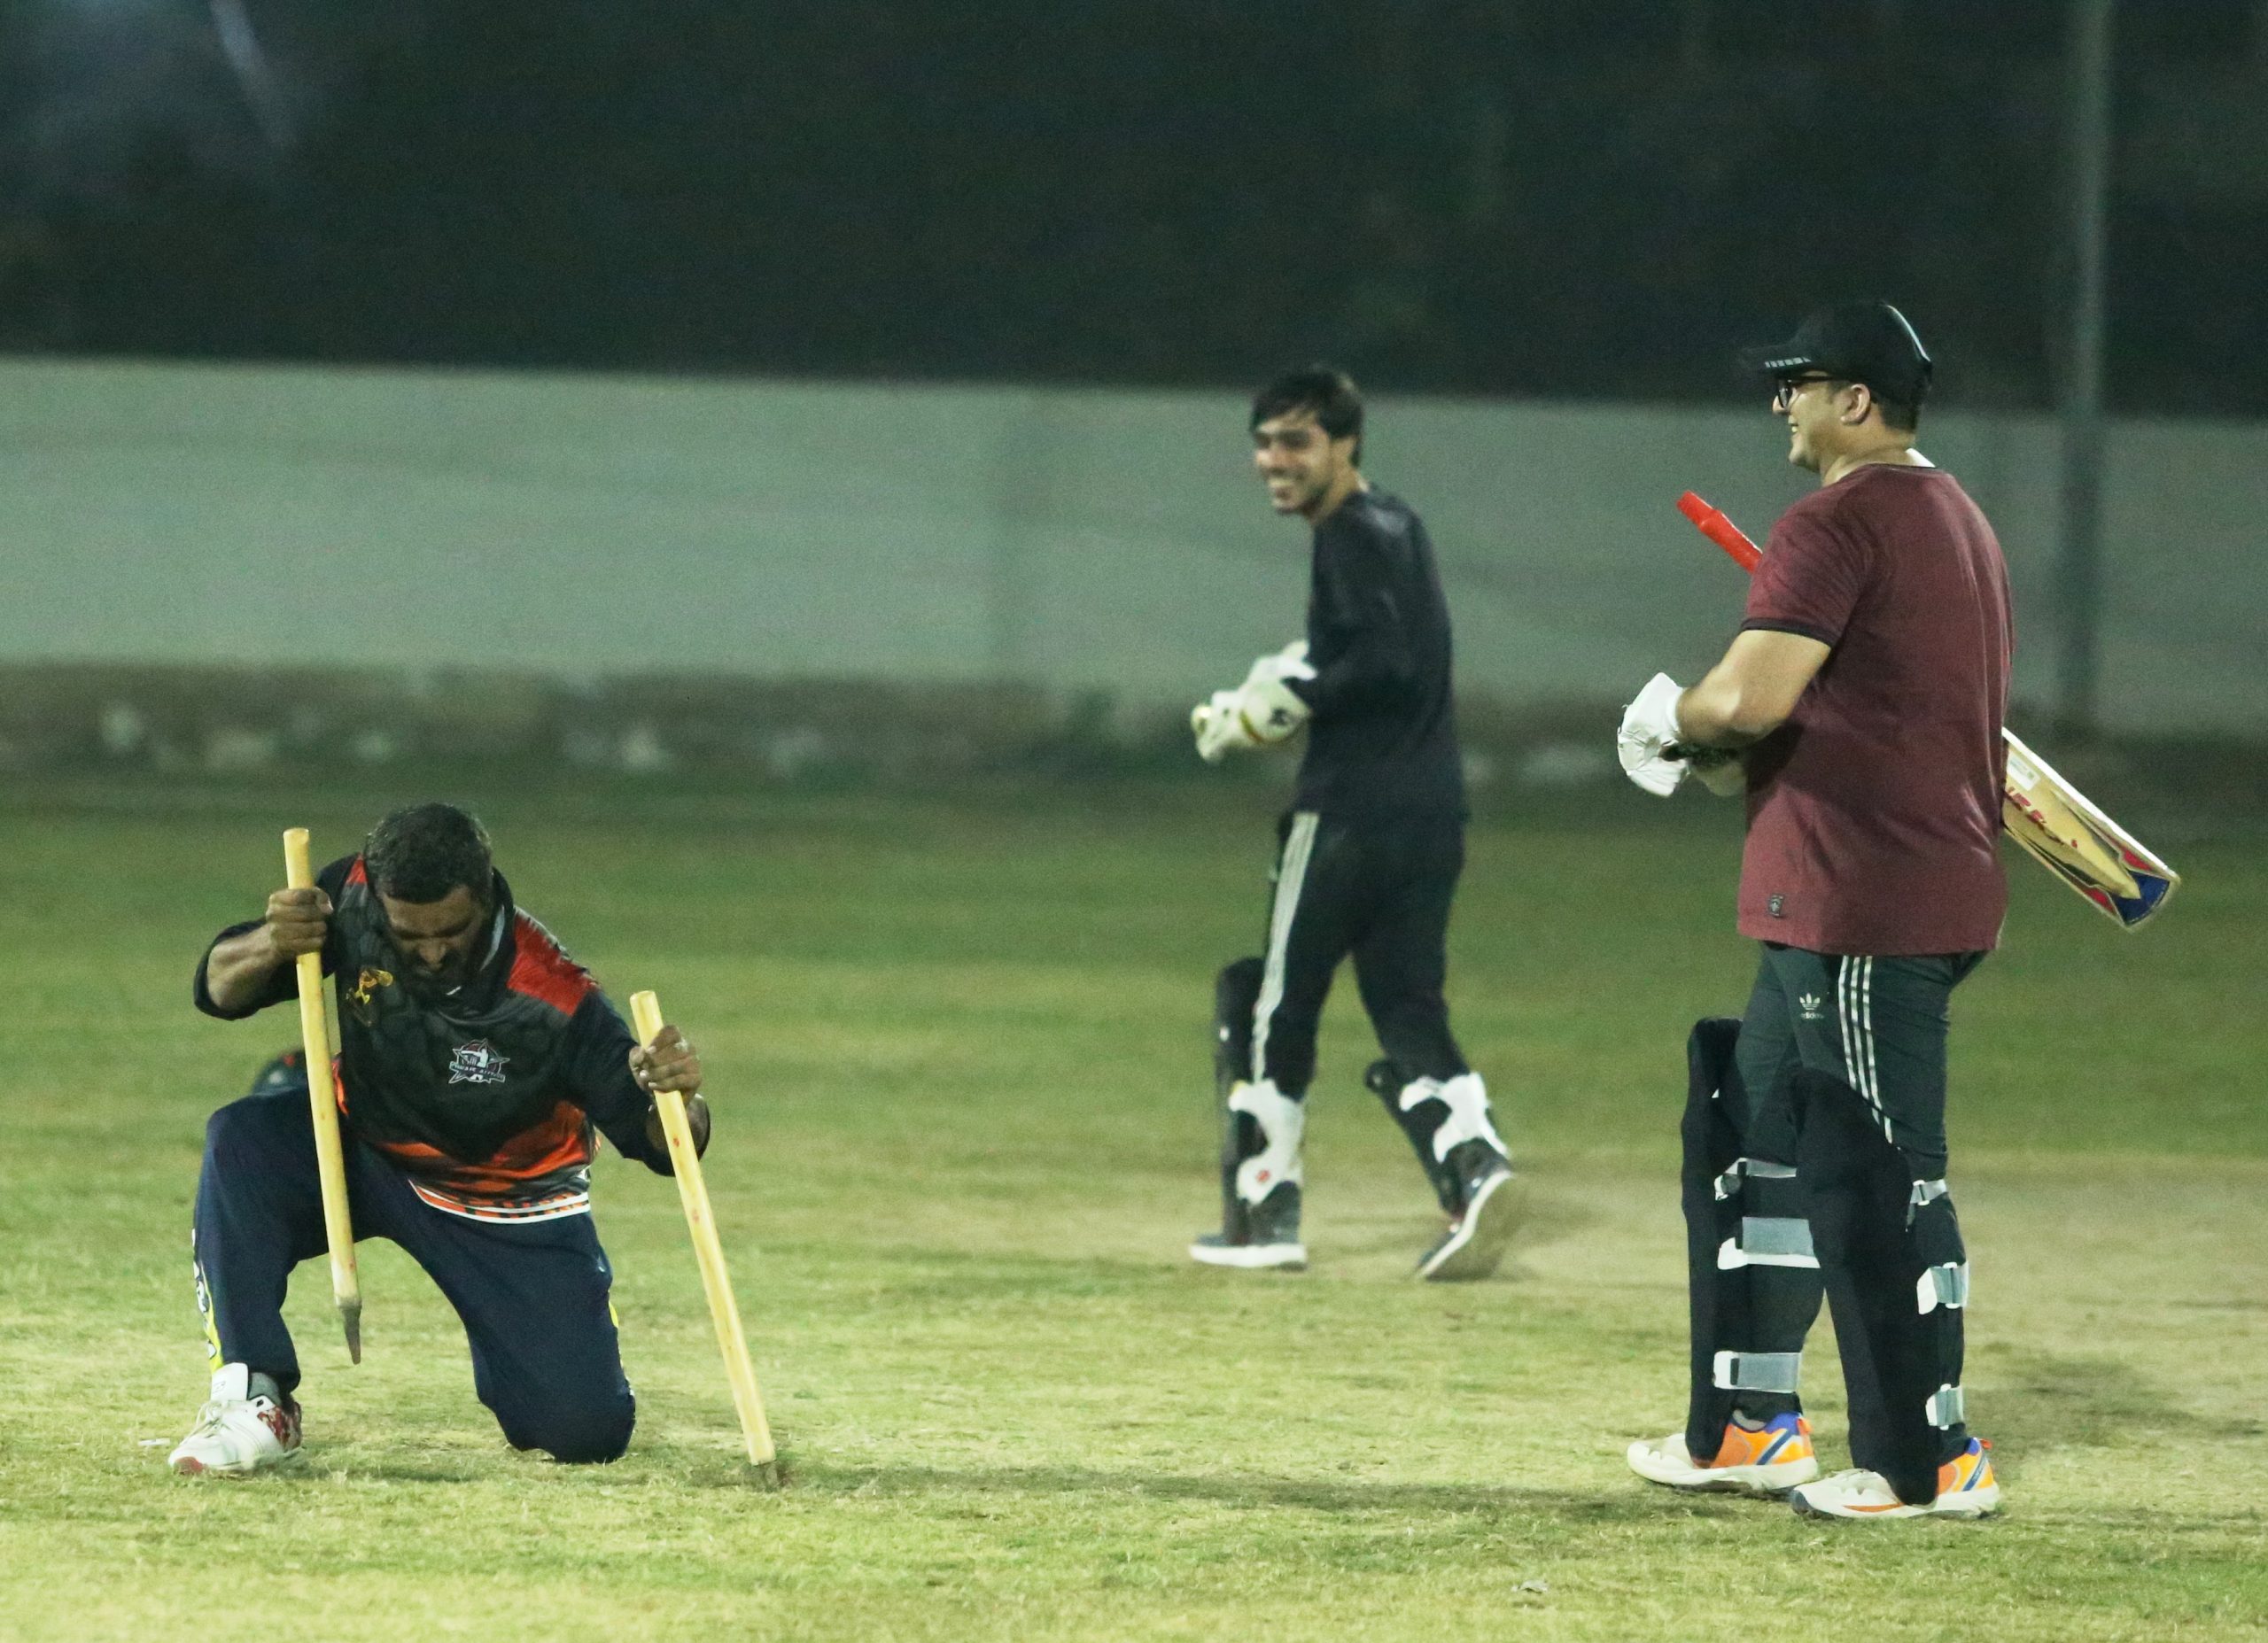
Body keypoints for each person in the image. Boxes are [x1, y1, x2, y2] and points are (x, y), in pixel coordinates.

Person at [1618, 301, 2009, 1519]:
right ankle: (1749, 1423)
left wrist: (1669, 719)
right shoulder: (1957, 517)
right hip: (1846, 889)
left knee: (1877, 1169)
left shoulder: (1834, 520)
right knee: (1756, 1143)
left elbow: (1750, 697)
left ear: (1857, 399)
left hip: (1865, 899)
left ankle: (1930, 1459)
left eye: (1799, 382)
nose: (1779, 402)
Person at [168, 802, 711, 1476]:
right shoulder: (350, 896)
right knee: (242, 1137)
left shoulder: (557, 998)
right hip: (359, 1146)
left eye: (452, 932)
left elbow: (668, 1149)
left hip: (502, 1202)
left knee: (584, 1432)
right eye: (409, 935)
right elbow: (218, 989)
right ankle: (254, 1398)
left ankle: (556, 1328)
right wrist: (273, 942)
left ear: (486, 896)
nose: (430, 951)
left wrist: (678, 1098)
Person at [1186, 364, 1518, 1281]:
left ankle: (1264, 1213)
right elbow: (1385, 644)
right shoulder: (1395, 525)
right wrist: (1299, 668)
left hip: (1346, 815)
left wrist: (1286, 698)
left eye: (1295, 440)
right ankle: (1477, 1169)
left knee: (1272, 1005)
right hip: (1431, 812)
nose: (1273, 460)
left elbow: (1386, 663)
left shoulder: (1346, 533)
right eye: (1263, 443)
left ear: (1344, 443)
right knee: (1406, 1002)